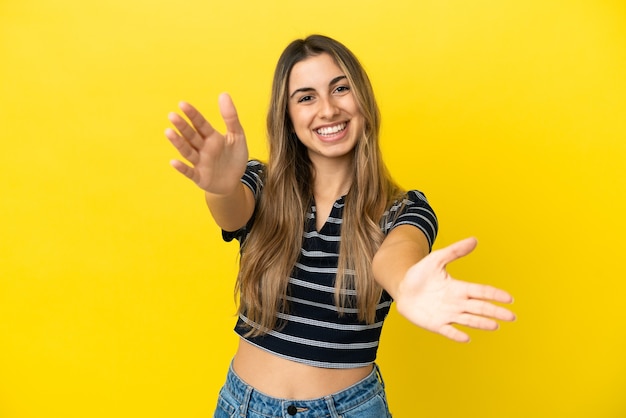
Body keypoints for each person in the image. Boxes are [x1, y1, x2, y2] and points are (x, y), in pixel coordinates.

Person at [165, 34, 515, 418]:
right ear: (288, 116)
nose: (328, 109)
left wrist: (406, 285)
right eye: (306, 97)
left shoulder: (403, 209)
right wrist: (222, 186)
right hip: (242, 406)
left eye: (340, 88)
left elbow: (396, 256)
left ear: (362, 99)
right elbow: (231, 213)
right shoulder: (261, 184)